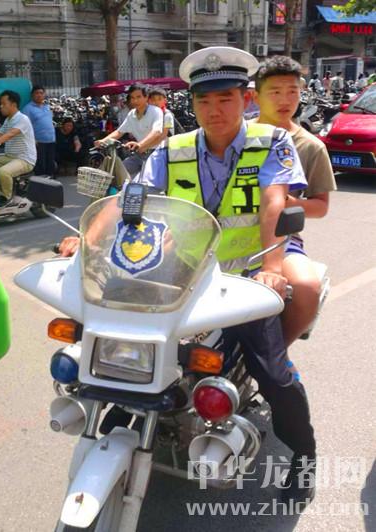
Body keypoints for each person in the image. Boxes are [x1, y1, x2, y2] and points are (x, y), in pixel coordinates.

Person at [60, 47, 316, 508]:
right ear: (192, 104)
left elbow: (274, 203)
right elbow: (130, 198)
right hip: (184, 273)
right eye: (204, 101)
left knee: (271, 371)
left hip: (246, 274)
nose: (214, 110)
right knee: (114, 332)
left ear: (245, 100)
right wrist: (86, 241)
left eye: (225, 99)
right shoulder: (172, 149)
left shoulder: (272, 142)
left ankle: (304, 456)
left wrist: (272, 269)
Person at [253, 56, 337, 348]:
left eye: (292, 91)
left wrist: (283, 202)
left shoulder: (311, 146)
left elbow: (321, 206)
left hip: (281, 240)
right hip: (226, 233)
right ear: (256, 96)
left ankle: (276, 355)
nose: (285, 99)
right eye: (275, 92)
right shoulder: (238, 136)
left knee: (306, 288)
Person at [95, 83, 164, 178]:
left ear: (146, 97)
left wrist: (140, 144)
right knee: (116, 173)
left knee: (145, 181)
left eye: (138, 97)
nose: (135, 100)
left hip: (156, 154)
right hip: (139, 154)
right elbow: (119, 132)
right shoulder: (131, 114)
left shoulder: (155, 111)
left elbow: (156, 132)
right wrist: (103, 141)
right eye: (132, 98)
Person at [0, 90, 36, 212]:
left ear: (13, 104)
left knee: (3, 172)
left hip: (24, 159)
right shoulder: (8, 120)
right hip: (10, 157)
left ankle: (7, 198)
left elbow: (10, 134)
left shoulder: (22, 119)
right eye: (0, 104)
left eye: (3, 104)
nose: (1, 107)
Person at [23, 86, 56, 177]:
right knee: (41, 165)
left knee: (50, 164)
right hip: (38, 142)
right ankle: (41, 183)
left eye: (41, 93)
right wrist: (33, 140)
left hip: (51, 140)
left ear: (44, 95)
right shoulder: (28, 108)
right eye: (37, 93)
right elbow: (25, 126)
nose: (39, 95)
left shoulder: (47, 107)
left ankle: (50, 182)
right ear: (32, 95)